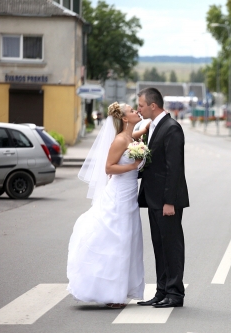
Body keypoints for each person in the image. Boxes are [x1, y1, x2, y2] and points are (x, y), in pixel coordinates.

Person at [67, 102, 148, 309]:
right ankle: (112, 294)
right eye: (132, 111)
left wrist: (146, 128)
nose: (136, 112)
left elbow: (135, 136)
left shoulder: (130, 137)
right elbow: (108, 167)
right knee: (117, 242)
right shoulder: (121, 140)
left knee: (128, 241)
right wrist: (132, 166)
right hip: (119, 195)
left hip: (130, 195)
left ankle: (120, 290)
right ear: (124, 118)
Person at [136, 87, 189, 308]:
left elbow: (173, 169)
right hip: (153, 198)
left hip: (167, 201)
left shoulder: (172, 128)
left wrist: (169, 201)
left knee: (172, 247)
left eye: (140, 105)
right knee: (159, 246)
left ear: (153, 106)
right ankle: (162, 291)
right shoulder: (154, 126)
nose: (138, 109)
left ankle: (175, 294)